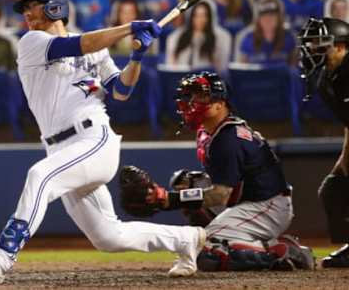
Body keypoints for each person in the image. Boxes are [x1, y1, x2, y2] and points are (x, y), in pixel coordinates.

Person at [0, 0, 206, 283]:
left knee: (41, 176)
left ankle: (0, 258)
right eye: (24, 8)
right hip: (61, 148)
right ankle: (185, 240)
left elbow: (121, 90)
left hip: (93, 139)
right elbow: (79, 45)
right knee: (108, 236)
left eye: (32, 6)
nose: (26, 13)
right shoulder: (32, 42)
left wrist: (137, 57)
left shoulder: (97, 49)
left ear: (54, 8)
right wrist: (130, 28)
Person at [119, 71, 315, 271]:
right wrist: (171, 197)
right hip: (249, 198)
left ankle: (280, 250)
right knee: (185, 181)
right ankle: (234, 236)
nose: (193, 101)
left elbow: (220, 195)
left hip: (267, 205)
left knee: (207, 249)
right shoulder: (209, 130)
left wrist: (169, 200)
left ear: (220, 103)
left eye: (201, 96)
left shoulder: (227, 139)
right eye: (191, 95)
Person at [298, 17, 349, 268]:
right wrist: (344, 161)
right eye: (311, 45)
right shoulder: (329, 78)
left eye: (320, 45)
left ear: (341, 47)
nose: (313, 51)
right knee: (334, 189)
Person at [165, 1, 231, 73]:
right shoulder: (178, 37)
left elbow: (220, 68)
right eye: (196, 16)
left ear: (209, 18)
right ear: (191, 18)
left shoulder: (216, 39)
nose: (200, 20)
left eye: (204, 15)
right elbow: (172, 63)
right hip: (181, 77)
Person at [235, 0, 297, 66]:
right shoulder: (246, 38)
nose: (267, 19)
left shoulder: (289, 37)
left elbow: (293, 69)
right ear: (257, 19)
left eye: (272, 15)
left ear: (279, 18)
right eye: (263, 15)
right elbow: (241, 70)